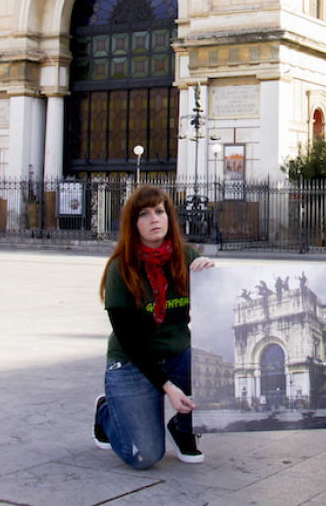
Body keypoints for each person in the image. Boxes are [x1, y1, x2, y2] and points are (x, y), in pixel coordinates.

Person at [93, 184, 214, 469]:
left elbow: (216, 316)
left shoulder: (187, 257)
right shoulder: (120, 269)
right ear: (133, 225)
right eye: (144, 215)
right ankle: (106, 413)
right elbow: (130, 341)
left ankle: (183, 429)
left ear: (169, 217)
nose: (154, 219)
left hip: (177, 354)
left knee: (221, 374)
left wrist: (210, 276)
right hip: (133, 360)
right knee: (144, 456)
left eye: (159, 211)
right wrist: (167, 386)